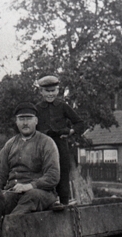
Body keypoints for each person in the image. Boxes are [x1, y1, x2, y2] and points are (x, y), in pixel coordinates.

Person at [0, 102, 60, 215]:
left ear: (36, 121)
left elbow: (53, 175)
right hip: (13, 193)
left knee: (30, 197)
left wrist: (30, 186)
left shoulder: (46, 143)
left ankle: (12, 223)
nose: (25, 123)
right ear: (16, 122)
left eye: (29, 118)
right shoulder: (10, 144)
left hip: (41, 193)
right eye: (21, 119)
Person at [34, 75, 85, 209]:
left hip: (60, 145)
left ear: (57, 91)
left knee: (62, 172)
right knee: (43, 172)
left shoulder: (63, 106)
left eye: (53, 91)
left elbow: (79, 123)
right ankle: (46, 202)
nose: (50, 94)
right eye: (47, 91)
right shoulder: (36, 109)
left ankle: (64, 203)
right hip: (43, 146)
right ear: (41, 92)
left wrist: (70, 131)